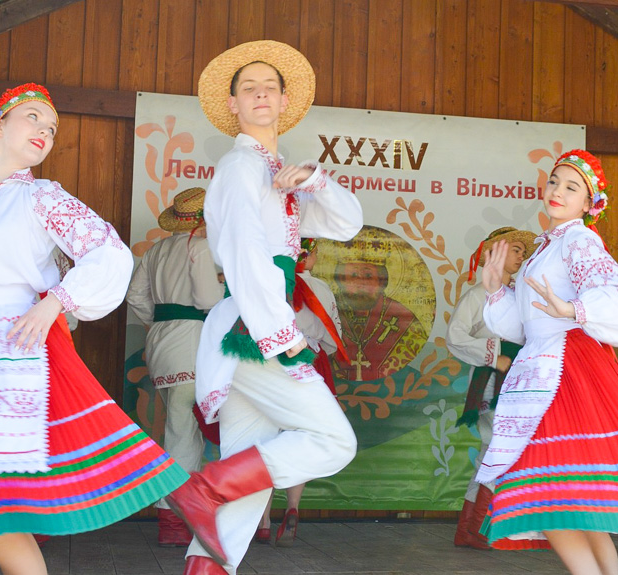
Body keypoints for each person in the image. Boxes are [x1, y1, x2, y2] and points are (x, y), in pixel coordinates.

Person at [164, 42, 363, 575]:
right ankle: (201, 488)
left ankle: (208, 517)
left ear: (283, 100)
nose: (258, 94)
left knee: (246, 491)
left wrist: (315, 179)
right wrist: (283, 335)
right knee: (334, 441)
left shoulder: (278, 174)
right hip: (255, 331)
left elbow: (346, 223)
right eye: (247, 88)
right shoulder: (238, 167)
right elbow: (246, 254)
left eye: (268, 87)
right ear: (232, 104)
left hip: (249, 332)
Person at [477, 149, 618, 574]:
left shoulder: (579, 240)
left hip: (564, 371)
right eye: (554, 182)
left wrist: (573, 310)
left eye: (572, 186)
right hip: (543, 364)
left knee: (549, 497)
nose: (558, 192)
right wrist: (495, 290)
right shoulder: (546, 248)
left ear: (589, 203)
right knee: (579, 499)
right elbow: (523, 325)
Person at [0, 83, 187, 575]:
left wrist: (55, 301)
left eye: (51, 128)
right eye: (32, 118)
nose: (44, 132)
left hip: (9, 353)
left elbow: (110, 253)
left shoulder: (41, 197)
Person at [126, 186, 225, 547]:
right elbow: (207, 299)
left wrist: (160, 322)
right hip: (193, 342)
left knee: (180, 426)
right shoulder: (198, 247)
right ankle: (174, 516)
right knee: (185, 431)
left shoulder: (156, 251)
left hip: (162, 344)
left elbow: (135, 295)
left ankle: (179, 512)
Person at [445, 226, 536, 550]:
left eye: (522, 252)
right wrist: (495, 356)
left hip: (518, 382)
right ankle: (480, 529)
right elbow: (455, 335)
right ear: (493, 252)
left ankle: (470, 530)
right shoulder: (477, 294)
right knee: (500, 453)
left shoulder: (520, 295)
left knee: (492, 455)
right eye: (515, 249)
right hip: (492, 383)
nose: (520, 256)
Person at [255, 237, 349, 546]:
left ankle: (264, 521)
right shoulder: (321, 289)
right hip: (310, 363)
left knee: (267, 438)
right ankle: (293, 507)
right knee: (301, 437)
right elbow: (334, 338)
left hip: (272, 363)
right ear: (308, 257)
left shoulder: (269, 281)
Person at [332, 228, 429, 382]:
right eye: (353, 275)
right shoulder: (326, 309)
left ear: (381, 281)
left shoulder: (404, 318)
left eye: (369, 275)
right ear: (340, 280)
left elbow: (414, 369)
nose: (360, 282)